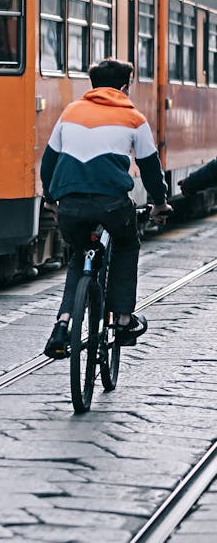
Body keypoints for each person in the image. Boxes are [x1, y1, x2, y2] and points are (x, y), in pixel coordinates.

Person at [40, 58, 172, 359]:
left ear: (93, 84)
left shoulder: (70, 113)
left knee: (78, 258)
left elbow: (49, 162)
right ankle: (123, 320)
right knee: (126, 246)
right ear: (125, 86)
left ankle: (62, 325)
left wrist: (50, 198)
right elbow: (151, 168)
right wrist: (160, 203)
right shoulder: (133, 117)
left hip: (70, 204)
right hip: (112, 205)